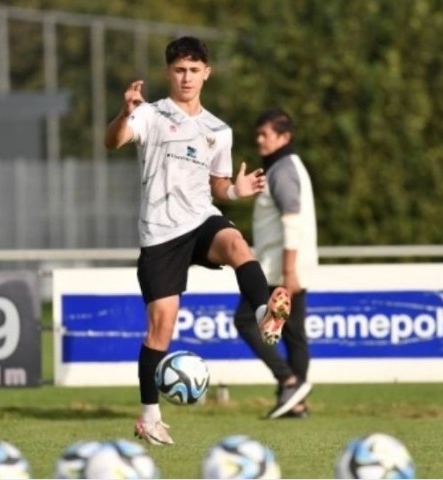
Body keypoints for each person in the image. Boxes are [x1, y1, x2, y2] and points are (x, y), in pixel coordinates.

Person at [104, 36, 291, 446]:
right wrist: (124, 112)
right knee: (161, 328)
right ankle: (149, 417)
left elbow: (219, 187)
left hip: (201, 218)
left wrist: (237, 192)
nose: (186, 77)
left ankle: (264, 314)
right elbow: (112, 141)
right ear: (168, 73)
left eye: (193, 70)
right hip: (160, 232)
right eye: (179, 70)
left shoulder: (218, 130)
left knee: (239, 246)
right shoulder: (150, 115)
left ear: (206, 73)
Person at [233, 108, 318, 420]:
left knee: (245, 320)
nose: (259, 140)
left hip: (278, 269)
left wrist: (288, 271)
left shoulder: (282, 169)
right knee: (294, 334)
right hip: (286, 266)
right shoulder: (286, 165)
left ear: (285, 137)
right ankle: (296, 404)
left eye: (264, 134)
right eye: (257, 134)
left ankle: (288, 380)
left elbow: (292, 222)